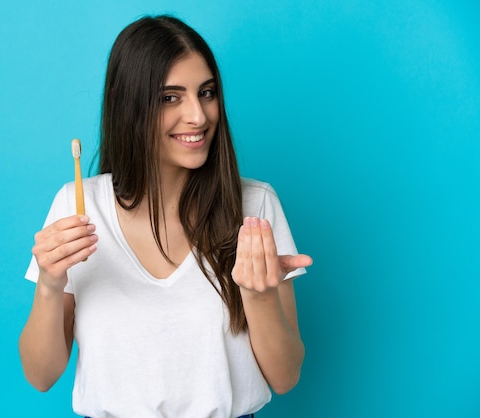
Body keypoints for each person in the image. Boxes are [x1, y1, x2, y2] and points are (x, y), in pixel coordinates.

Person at [19, 15, 312, 418]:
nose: (198, 115)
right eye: (170, 97)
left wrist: (259, 295)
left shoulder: (256, 207)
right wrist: (50, 284)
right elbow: (41, 375)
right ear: (129, 103)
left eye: (206, 93)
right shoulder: (77, 206)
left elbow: (285, 377)